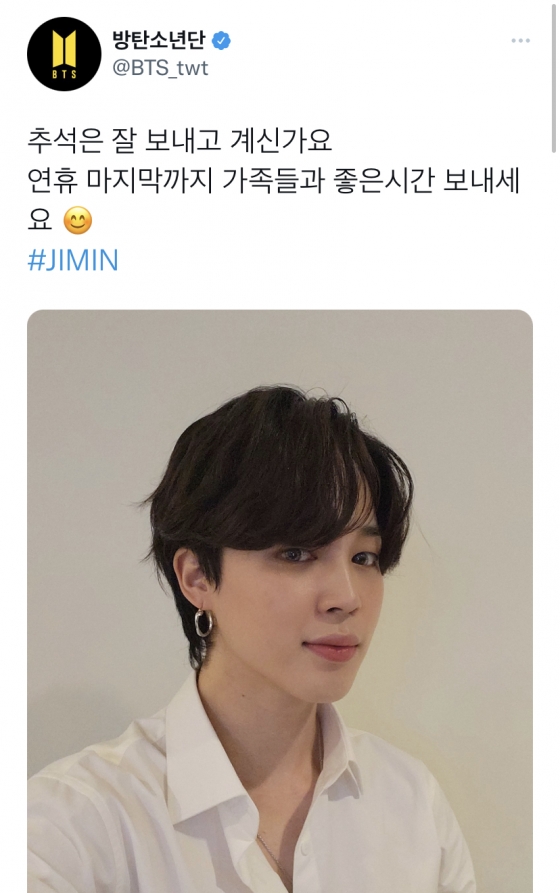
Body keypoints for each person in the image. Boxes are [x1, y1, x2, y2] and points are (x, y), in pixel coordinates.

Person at [28, 385, 476, 893]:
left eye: (364, 557)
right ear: (197, 576)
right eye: (297, 554)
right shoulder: (74, 829)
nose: (347, 597)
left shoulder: (412, 805)